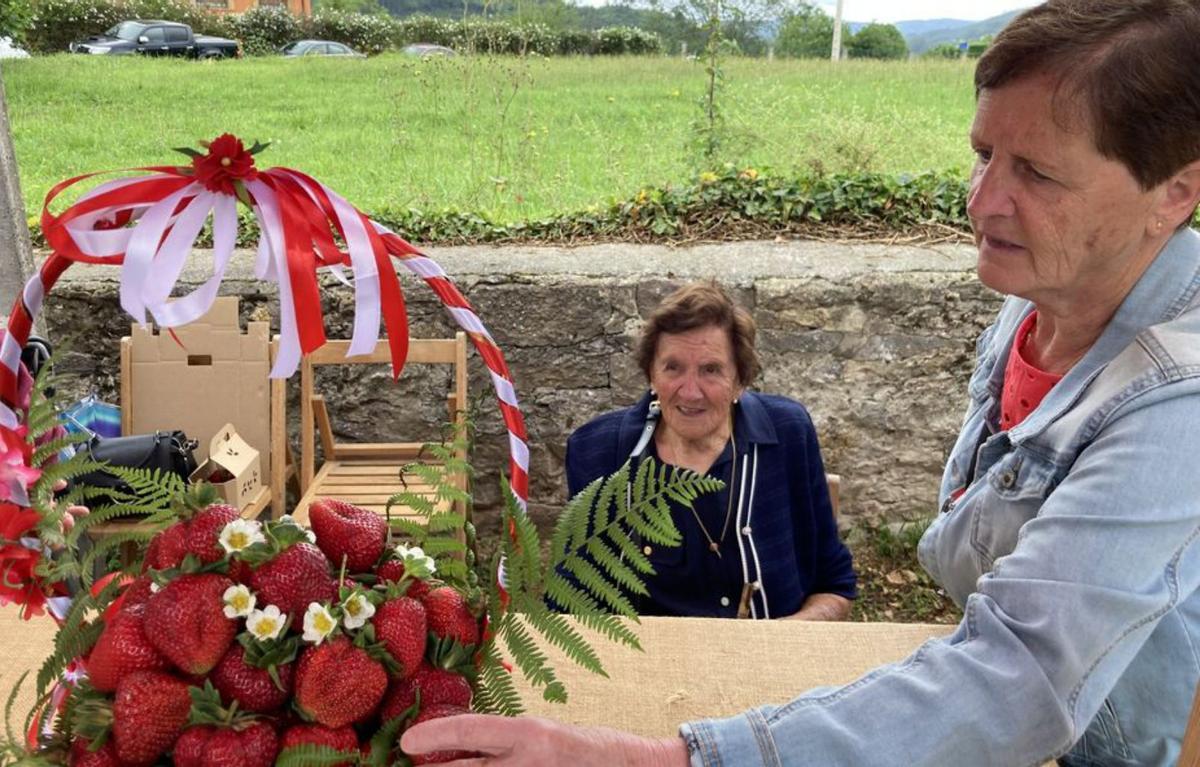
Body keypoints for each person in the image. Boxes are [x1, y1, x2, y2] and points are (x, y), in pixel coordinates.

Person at [400, 1, 1200, 764]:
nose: (982, 201)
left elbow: (1020, 675)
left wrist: (658, 756)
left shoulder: (1177, 396)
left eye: (1038, 173)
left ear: (1175, 193)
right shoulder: (1040, 302)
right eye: (984, 154)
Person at [562, 281, 856, 620]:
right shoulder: (598, 452)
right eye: (673, 367)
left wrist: (781, 642)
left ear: (740, 380)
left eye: (711, 370)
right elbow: (573, 602)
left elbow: (834, 584)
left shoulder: (787, 433)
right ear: (651, 375)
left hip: (772, 656)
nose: (690, 392)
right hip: (646, 663)